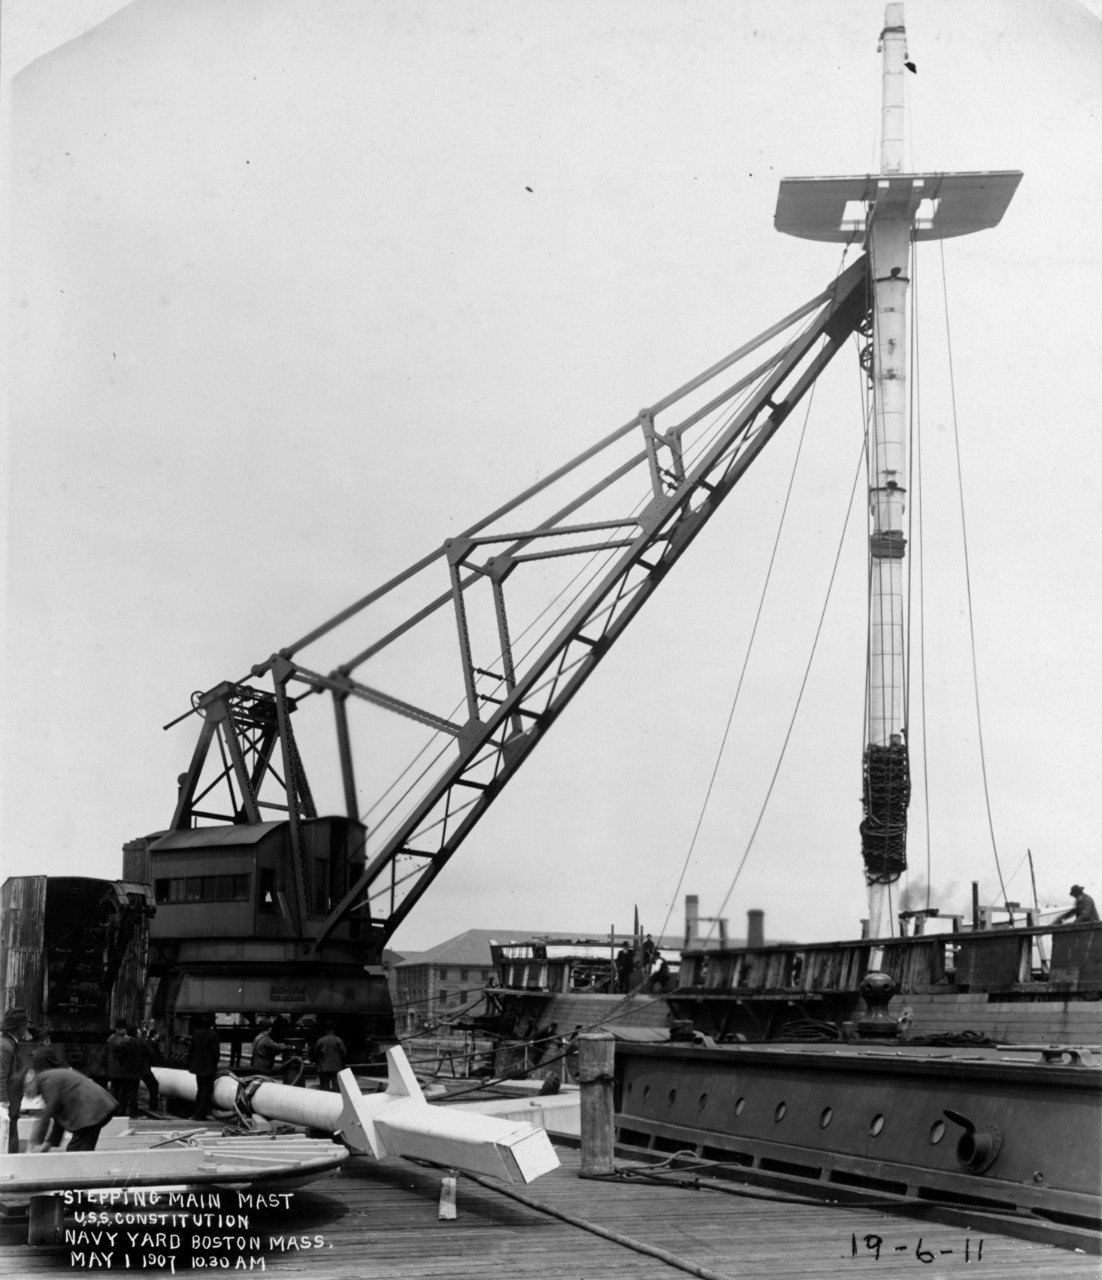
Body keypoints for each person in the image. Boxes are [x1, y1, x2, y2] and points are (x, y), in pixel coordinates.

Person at [25, 1065, 118, 1152]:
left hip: (91, 1110)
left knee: (75, 1154)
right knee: (80, 1152)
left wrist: (34, 1143)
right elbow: (59, 1118)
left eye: (25, 1090)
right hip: (95, 1108)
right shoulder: (46, 1082)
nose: (26, 1095)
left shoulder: (47, 1082)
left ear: (30, 1083)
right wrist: (49, 1144)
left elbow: (46, 1116)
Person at [0, 1007, 29, 1154]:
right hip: (7, 1103)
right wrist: (4, 1103)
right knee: (7, 1140)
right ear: (19, 1027)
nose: (27, 1028)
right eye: (25, 1025)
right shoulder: (5, 1046)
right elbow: (1, 1077)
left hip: (12, 1101)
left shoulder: (9, 1044)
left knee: (10, 1135)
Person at [188, 1013, 220, 1121]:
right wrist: (213, 1064)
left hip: (197, 1067)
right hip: (208, 1068)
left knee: (200, 1090)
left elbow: (191, 1051)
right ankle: (200, 1116)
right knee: (206, 1092)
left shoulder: (196, 1033)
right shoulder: (214, 1035)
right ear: (212, 1022)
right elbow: (216, 1054)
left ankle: (196, 1113)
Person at [312, 1021, 347, 1092]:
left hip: (323, 1067)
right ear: (333, 1029)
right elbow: (344, 1053)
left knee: (325, 1090)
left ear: (324, 1029)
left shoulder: (320, 1041)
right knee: (336, 1089)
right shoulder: (338, 1040)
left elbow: (315, 1054)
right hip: (336, 1067)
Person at [106, 1019, 130, 1107]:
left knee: (113, 1088)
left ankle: (111, 1107)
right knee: (122, 1090)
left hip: (112, 1069)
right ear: (121, 1029)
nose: (126, 1031)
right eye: (125, 1028)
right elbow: (124, 1056)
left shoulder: (111, 1039)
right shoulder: (122, 1041)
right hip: (121, 1069)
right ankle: (119, 1109)